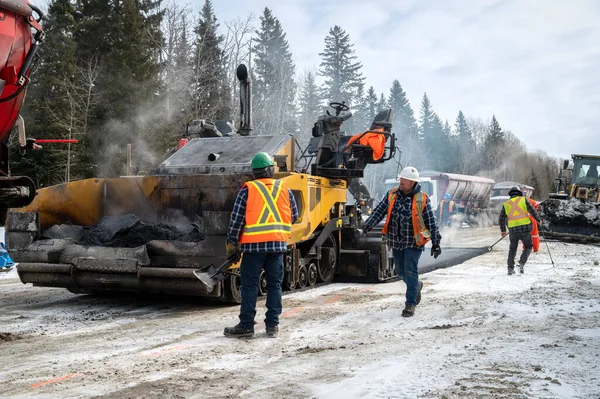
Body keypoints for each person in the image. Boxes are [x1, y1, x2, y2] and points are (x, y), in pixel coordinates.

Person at [224, 152, 299, 339]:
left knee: (249, 286)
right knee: (274, 285)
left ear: (255, 172)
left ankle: (247, 326)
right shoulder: (284, 189)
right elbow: (294, 216)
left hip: (253, 248)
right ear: (270, 170)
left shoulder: (247, 190)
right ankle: (272, 326)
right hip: (277, 247)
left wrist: (232, 242)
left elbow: (236, 220)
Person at [362, 166, 442, 317]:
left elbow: (431, 222)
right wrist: (369, 224)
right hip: (396, 241)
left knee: (410, 270)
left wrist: (436, 242)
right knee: (399, 271)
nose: (401, 182)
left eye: (403, 180)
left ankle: (410, 304)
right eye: (401, 179)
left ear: (412, 182)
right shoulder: (392, 194)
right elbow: (380, 210)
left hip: (413, 242)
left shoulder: (422, 199)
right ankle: (416, 286)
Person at [499, 186, 541, 275]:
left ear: (510, 195)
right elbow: (533, 210)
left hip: (513, 230)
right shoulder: (524, 200)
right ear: (519, 193)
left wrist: (503, 230)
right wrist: (538, 220)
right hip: (525, 229)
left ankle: (510, 268)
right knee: (528, 247)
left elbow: (501, 218)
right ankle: (521, 263)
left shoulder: (506, 204)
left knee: (512, 248)